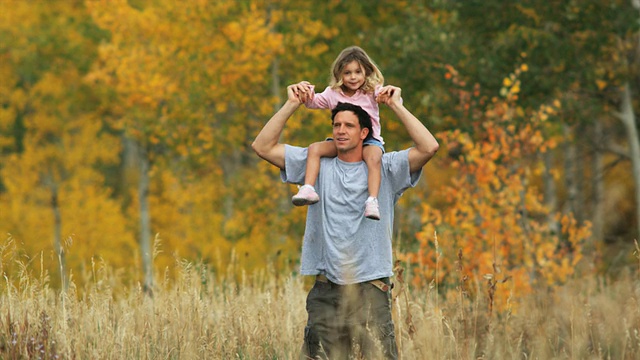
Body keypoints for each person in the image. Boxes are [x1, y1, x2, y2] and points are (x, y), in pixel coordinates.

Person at [252, 81, 439, 359]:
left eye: (349, 126)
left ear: (365, 132)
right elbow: (262, 146)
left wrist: (396, 105)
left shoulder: (385, 167)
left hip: (371, 288)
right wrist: (292, 103)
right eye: (336, 125)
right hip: (327, 288)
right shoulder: (316, 165)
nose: (340, 131)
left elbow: (429, 147)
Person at [291, 46, 392, 221]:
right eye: (347, 73)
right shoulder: (333, 93)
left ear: (366, 73)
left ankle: (372, 200)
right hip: (343, 142)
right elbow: (313, 102)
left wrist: (389, 93)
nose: (353, 77)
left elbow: (386, 96)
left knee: (374, 158)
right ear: (339, 75)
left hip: (369, 141)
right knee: (315, 148)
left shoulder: (371, 91)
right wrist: (304, 90)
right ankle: (308, 188)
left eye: (358, 72)